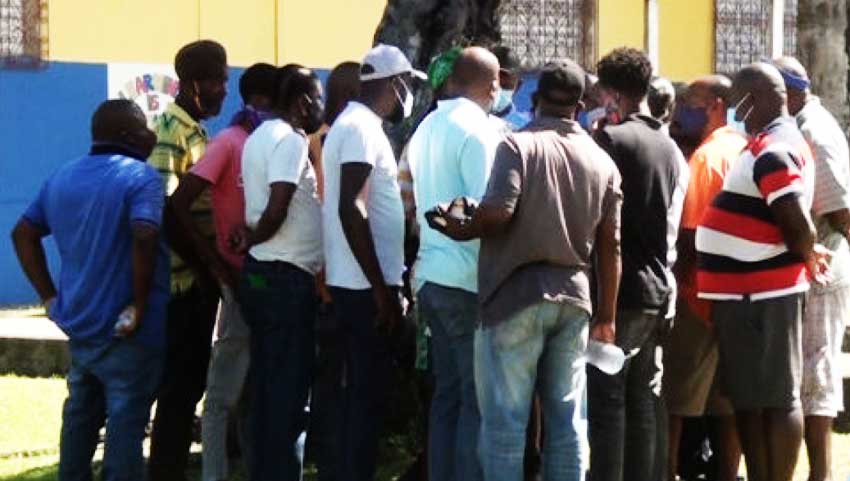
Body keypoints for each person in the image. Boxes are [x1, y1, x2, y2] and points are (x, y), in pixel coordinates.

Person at [437, 59, 622, 481]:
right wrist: (607, 317)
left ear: (534, 99)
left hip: (513, 298)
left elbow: (498, 213)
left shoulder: (516, 145)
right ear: (579, 105)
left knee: (505, 424)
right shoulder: (601, 161)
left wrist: (461, 225)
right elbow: (611, 245)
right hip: (574, 300)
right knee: (567, 423)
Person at [11, 99, 168, 481]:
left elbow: (23, 233)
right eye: (145, 128)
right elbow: (145, 233)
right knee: (126, 422)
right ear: (131, 136)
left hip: (80, 323)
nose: (152, 135)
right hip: (128, 328)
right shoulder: (141, 177)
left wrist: (49, 298)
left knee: (80, 415)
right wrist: (139, 304)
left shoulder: (63, 176)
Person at [696, 62, 823, 481]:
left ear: (757, 99)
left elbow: (792, 215)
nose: (738, 114)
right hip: (747, 296)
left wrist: (807, 253)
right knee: (750, 401)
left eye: (740, 105)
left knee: (778, 399)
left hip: (762, 295)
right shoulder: (771, 141)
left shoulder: (774, 148)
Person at [169, 62, 278, 481]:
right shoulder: (230, 142)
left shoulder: (274, 143)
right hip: (238, 280)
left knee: (256, 392)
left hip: (271, 279)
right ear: (264, 100)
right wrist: (214, 264)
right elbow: (177, 205)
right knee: (220, 397)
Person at [321, 43, 425, 481]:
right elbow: (352, 206)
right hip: (364, 290)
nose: (410, 95)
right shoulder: (361, 128)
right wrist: (382, 290)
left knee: (354, 398)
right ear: (394, 83)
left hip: (355, 283)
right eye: (408, 84)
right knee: (363, 399)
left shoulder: (355, 125)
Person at [587, 47, 689, 481]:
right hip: (655, 290)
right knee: (643, 400)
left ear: (612, 94)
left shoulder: (610, 139)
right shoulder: (669, 147)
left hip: (617, 290)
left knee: (608, 402)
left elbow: (597, 217)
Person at [406, 46, 501, 481]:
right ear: (490, 85)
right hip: (467, 280)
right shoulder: (478, 129)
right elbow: (488, 209)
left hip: (431, 276)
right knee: (475, 401)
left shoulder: (427, 126)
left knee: (447, 397)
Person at [232, 66, 325, 481]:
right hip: (285, 277)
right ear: (303, 102)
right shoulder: (290, 141)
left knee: (269, 388)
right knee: (288, 397)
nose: (321, 107)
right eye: (318, 98)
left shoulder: (257, 137)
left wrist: (252, 240)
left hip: (262, 275)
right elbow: (277, 206)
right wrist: (254, 238)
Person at [147, 39, 229, 481]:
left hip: (199, 283)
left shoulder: (197, 131)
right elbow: (165, 210)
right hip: (183, 286)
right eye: (219, 82)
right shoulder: (173, 132)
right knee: (179, 390)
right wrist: (206, 268)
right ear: (197, 84)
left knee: (189, 384)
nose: (224, 91)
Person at [663, 75, 746, 481]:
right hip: (740, 296)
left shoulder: (707, 158)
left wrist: (680, 282)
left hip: (699, 294)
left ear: (714, 104)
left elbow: (690, 232)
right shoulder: (745, 149)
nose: (680, 110)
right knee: (725, 404)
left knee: (676, 400)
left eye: (689, 101)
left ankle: (667, 471)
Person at [774, 56, 850, 481]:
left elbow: (839, 210)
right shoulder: (802, 124)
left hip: (824, 263)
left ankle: (820, 473)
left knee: (817, 374)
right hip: (812, 260)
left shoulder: (813, 131)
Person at [490, 45, 529, 129]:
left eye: (505, 86)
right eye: (493, 83)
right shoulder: (464, 119)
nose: (497, 89)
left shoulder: (524, 128)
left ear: (518, 86)